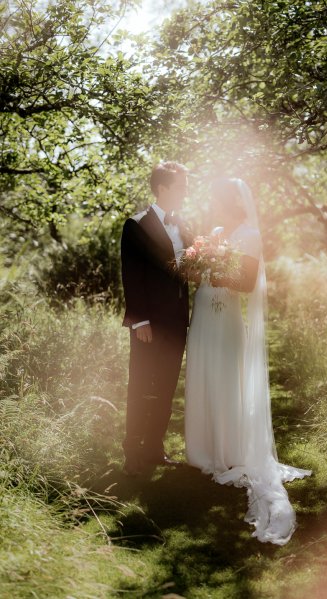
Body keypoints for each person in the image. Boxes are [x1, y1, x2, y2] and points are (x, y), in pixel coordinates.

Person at [185, 178, 311, 545]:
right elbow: (197, 271)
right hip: (203, 313)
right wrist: (199, 265)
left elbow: (245, 281)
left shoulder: (250, 234)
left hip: (225, 318)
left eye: (215, 201)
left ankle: (226, 451)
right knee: (202, 375)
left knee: (223, 378)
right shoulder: (217, 231)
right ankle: (202, 450)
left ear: (230, 203)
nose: (211, 208)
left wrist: (213, 265)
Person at [121, 161, 192, 474]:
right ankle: (131, 452)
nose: (186, 191)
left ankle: (154, 448)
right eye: (181, 186)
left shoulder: (185, 224)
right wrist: (139, 320)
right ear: (162, 188)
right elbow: (131, 276)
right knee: (141, 385)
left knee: (165, 387)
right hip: (148, 324)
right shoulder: (136, 225)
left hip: (177, 321)